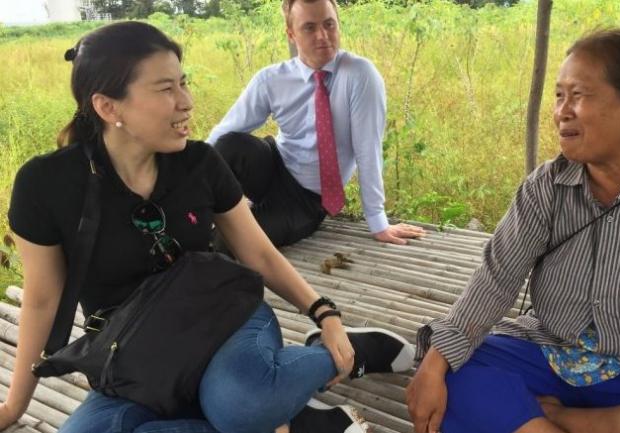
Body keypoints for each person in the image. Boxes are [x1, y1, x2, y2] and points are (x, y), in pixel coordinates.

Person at [0, 21, 414, 433]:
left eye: (183, 83)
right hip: (131, 356)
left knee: (243, 406)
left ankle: (341, 355)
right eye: (166, 89)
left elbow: (258, 253)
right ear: (109, 107)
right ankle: (288, 419)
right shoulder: (46, 185)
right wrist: (14, 407)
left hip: (223, 320)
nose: (187, 102)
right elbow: (41, 301)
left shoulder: (199, 163)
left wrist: (325, 315)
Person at [405, 29, 620, 433]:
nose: (561, 112)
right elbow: (495, 280)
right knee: (450, 376)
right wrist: (435, 365)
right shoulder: (546, 187)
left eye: (578, 96)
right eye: (558, 96)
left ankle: (561, 419)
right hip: (548, 356)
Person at [206, 0, 424, 248]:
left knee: (229, 242)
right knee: (228, 145)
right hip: (273, 164)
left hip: (305, 199)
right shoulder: (272, 79)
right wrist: (182, 175)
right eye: (309, 27)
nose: (322, 36)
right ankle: (187, 216)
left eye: (329, 24)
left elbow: (368, 150)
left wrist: (378, 221)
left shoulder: (360, 75)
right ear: (291, 34)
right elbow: (223, 132)